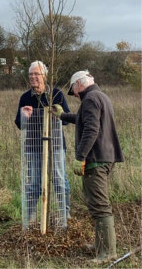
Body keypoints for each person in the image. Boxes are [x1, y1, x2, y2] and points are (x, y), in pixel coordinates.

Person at [53, 70, 124, 264]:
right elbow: (85, 119)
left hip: (96, 159)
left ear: (79, 84)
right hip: (104, 157)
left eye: (73, 90)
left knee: (100, 207)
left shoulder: (90, 99)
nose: (74, 94)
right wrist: (63, 115)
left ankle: (108, 252)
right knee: (96, 204)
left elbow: (92, 129)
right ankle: (100, 244)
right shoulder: (100, 96)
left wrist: (80, 156)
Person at [15, 60, 71, 224]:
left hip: (55, 146)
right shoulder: (25, 97)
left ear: (44, 76)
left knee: (60, 181)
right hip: (33, 148)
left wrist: (58, 114)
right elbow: (18, 123)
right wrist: (24, 117)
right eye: (31, 74)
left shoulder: (56, 94)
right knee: (33, 184)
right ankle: (31, 218)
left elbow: (67, 120)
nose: (33, 77)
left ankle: (64, 215)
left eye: (36, 74)